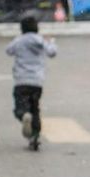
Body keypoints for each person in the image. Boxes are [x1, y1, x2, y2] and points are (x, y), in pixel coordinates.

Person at [6, 16, 56, 150]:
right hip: (37, 82)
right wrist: (51, 41)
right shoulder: (40, 40)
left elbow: (8, 50)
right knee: (35, 109)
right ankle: (34, 137)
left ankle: (23, 115)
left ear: (22, 28)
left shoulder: (19, 40)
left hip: (21, 81)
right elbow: (52, 52)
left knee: (20, 108)